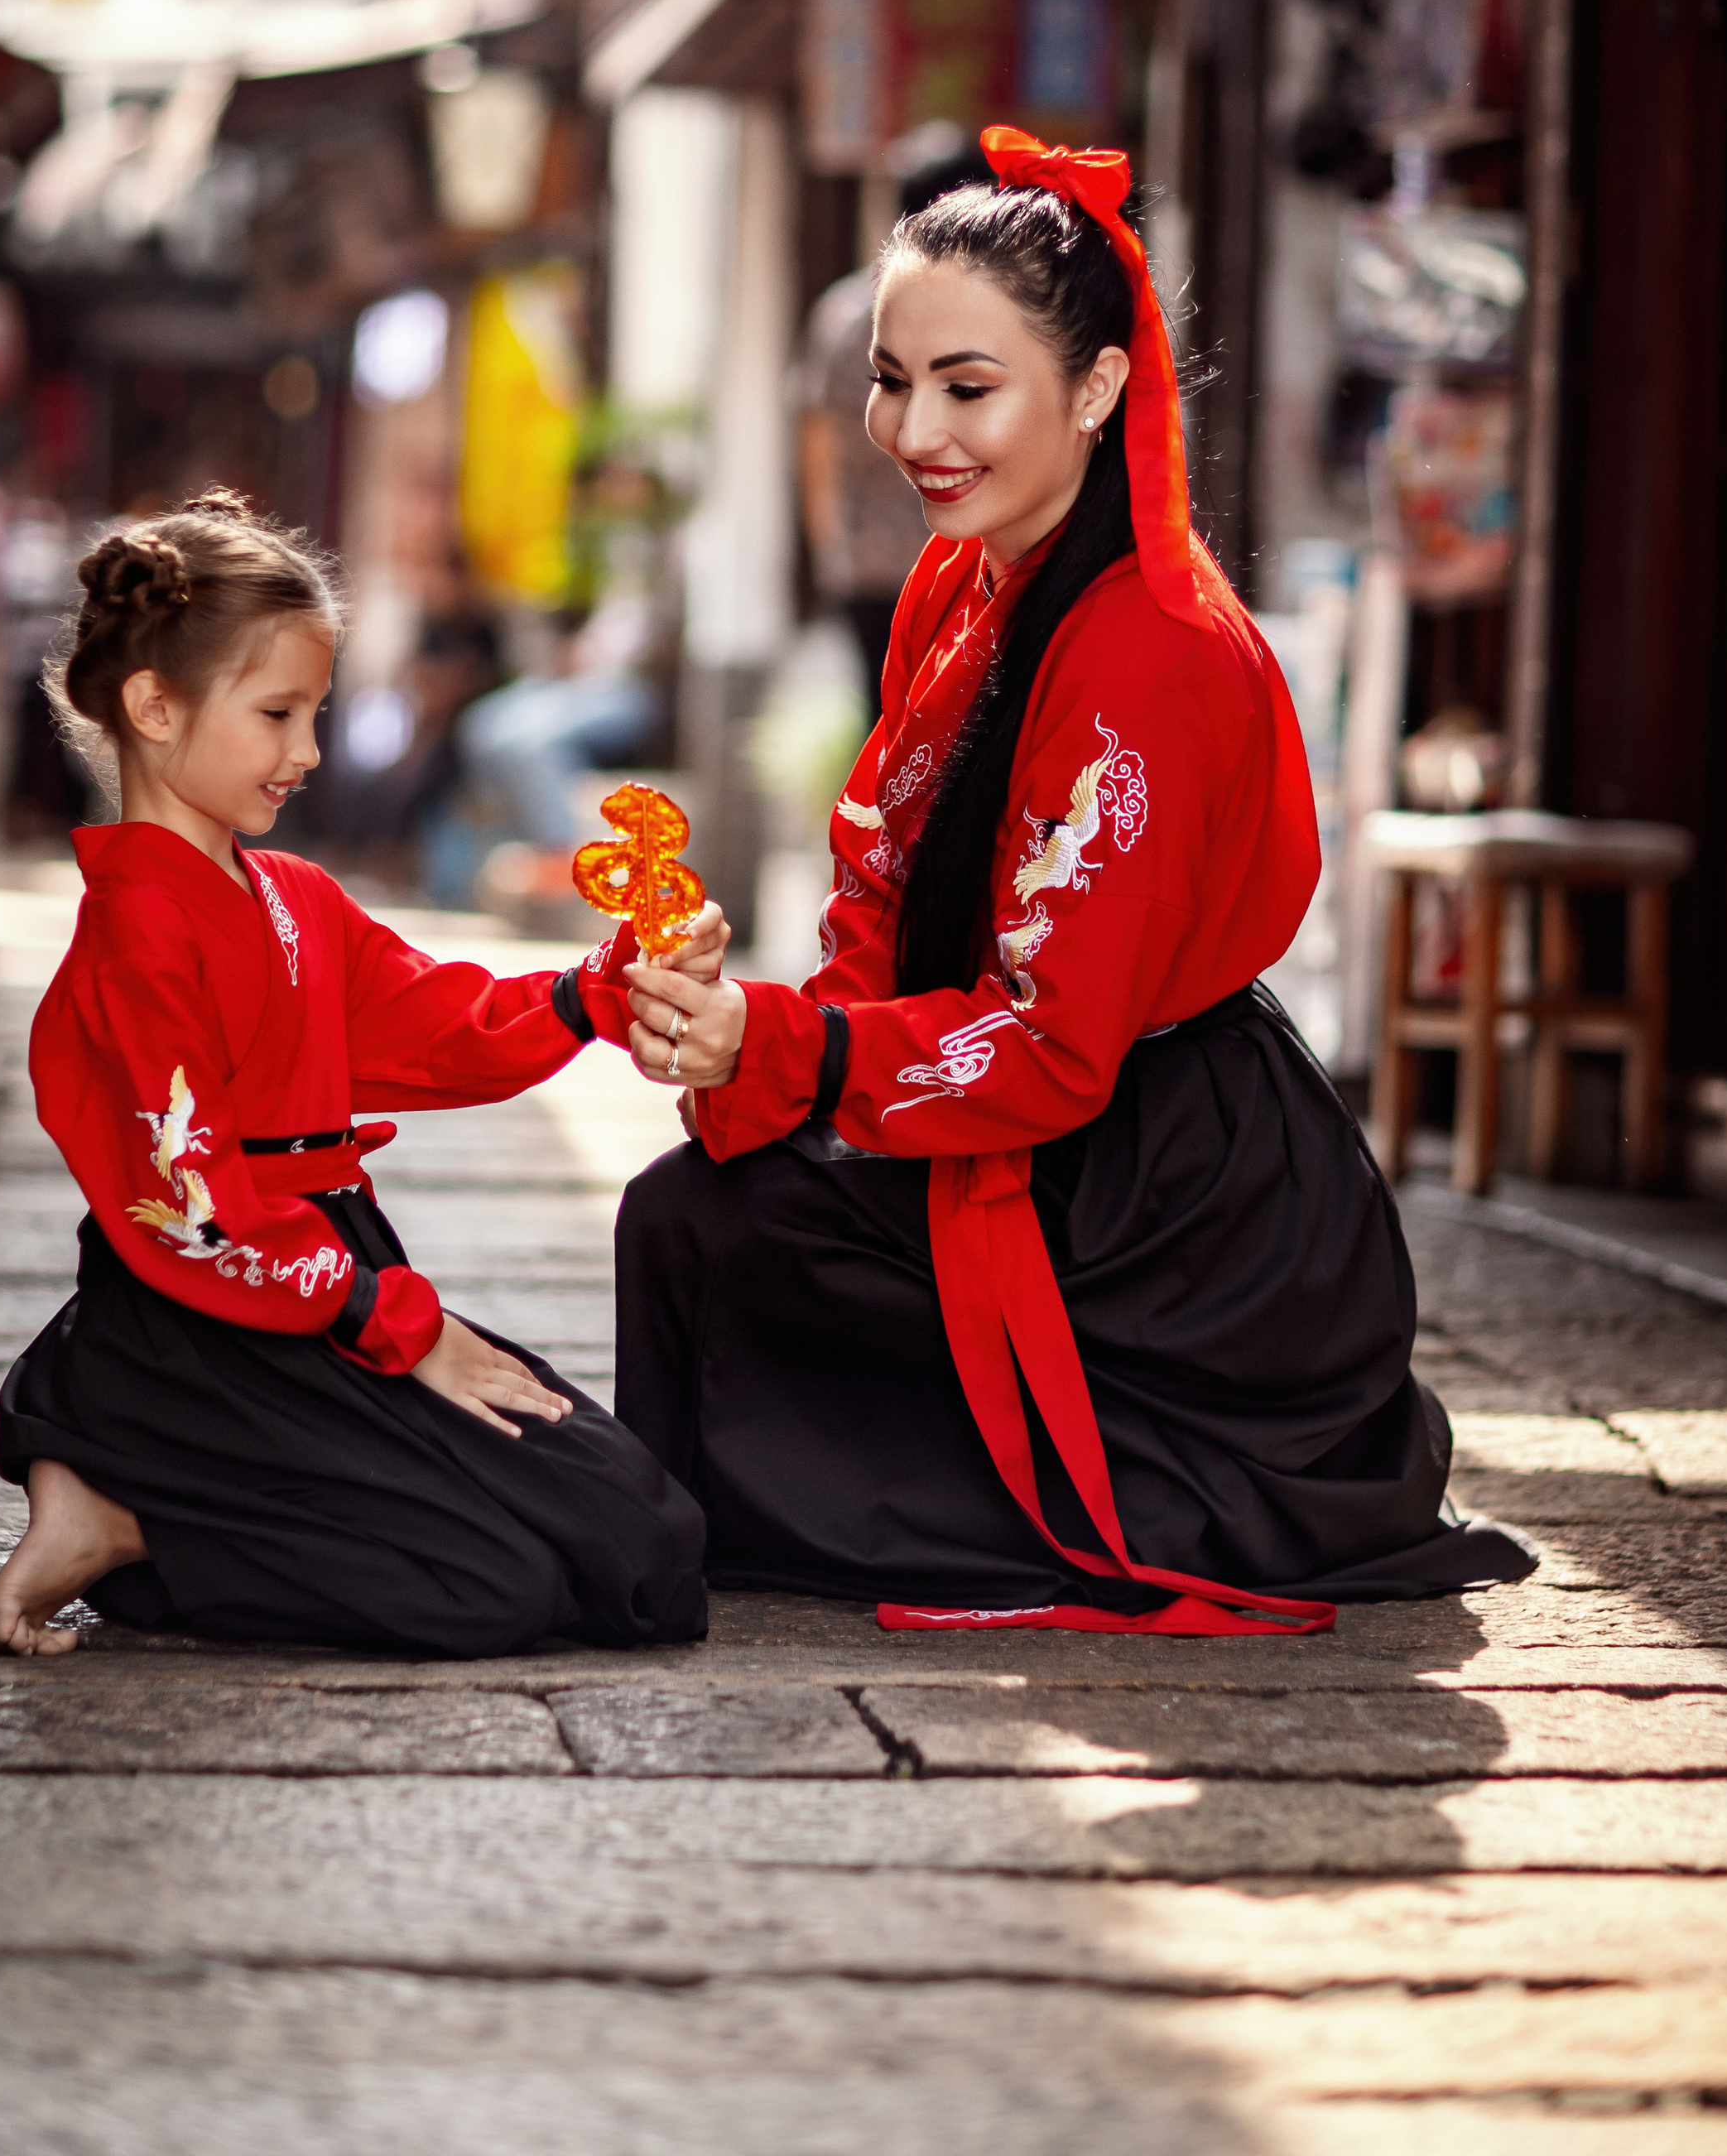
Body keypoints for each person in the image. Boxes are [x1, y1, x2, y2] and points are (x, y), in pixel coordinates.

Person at [600, 130, 1534, 1634]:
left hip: (1173, 1203)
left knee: (718, 1236)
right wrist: (753, 1029)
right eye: (893, 381)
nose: (914, 429)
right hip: (1059, 1118)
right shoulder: (966, 587)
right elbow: (882, 902)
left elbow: (1051, 1045)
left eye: (970, 387)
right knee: (704, 1213)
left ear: (1097, 389)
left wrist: (797, 1052)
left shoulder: (1146, 650)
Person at [0, 487, 714, 1661]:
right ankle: (131, 1514)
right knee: (494, 1589)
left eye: (314, 713)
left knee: (646, 1541)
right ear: (153, 707)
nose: (309, 753)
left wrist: (602, 989)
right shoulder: (132, 944)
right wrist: (394, 1320)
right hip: (208, 1322)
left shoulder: (295, 900)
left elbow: (440, 1024)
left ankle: (152, 1512)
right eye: (278, 714)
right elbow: (198, 1209)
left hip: (335, 1283)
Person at [794, 142, 993, 720]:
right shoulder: (987, 310)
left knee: (889, 728)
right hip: (962, 562)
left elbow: (816, 438)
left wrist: (830, 551)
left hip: (871, 567)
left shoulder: (846, 311)